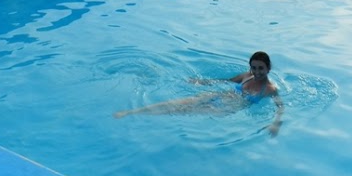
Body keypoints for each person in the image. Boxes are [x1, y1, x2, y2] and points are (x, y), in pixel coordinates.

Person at [114, 51, 284, 135]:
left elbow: (279, 107)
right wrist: (203, 82)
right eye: (254, 67)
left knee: (185, 111)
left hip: (227, 108)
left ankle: (145, 118)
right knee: (179, 103)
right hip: (220, 96)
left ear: (268, 68)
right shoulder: (246, 76)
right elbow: (226, 81)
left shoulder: (270, 89)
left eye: (260, 68)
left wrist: (276, 123)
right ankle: (131, 112)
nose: (257, 72)